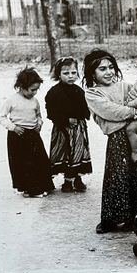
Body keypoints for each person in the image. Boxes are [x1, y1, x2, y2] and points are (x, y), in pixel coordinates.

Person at [82, 49, 137, 234]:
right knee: (119, 179)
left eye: (111, 67)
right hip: (117, 140)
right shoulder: (93, 94)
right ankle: (117, 219)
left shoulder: (125, 86)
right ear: (92, 73)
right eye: (102, 69)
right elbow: (111, 112)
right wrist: (136, 113)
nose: (108, 72)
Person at [0, 67, 55, 198]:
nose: (34, 92)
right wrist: (13, 127)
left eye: (36, 89)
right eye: (32, 89)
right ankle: (30, 190)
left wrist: (39, 124)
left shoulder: (34, 101)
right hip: (18, 135)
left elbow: (39, 115)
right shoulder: (11, 100)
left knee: (40, 160)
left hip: (33, 135)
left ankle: (43, 185)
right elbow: (1, 117)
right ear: (21, 86)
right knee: (25, 163)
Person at [45, 56, 92, 193]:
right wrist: (65, 120)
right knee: (65, 153)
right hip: (62, 130)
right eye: (66, 73)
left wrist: (82, 117)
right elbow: (51, 112)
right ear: (58, 74)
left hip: (78, 129)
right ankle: (67, 181)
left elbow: (85, 108)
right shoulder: (54, 93)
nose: (70, 76)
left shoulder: (79, 91)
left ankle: (77, 179)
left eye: (73, 73)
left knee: (78, 152)